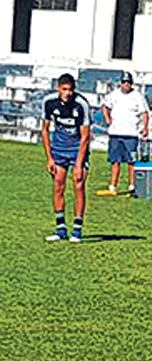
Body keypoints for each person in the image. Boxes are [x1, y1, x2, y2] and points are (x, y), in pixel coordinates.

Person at [41, 73, 91, 243]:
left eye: (70, 90)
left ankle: (77, 230)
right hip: (59, 150)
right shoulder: (49, 102)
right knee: (58, 186)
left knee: (78, 185)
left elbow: (85, 136)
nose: (67, 93)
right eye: (64, 89)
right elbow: (45, 130)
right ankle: (60, 228)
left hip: (77, 150)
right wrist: (49, 158)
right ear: (58, 88)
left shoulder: (81, 104)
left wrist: (79, 163)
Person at [101, 70, 150, 195]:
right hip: (115, 133)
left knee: (131, 162)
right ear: (120, 83)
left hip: (131, 134)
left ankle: (132, 186)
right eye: (124, 82)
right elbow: (105, 106)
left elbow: (144, 113)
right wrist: (107, 119)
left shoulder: (138, 97)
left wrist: (145, 127)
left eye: (128, 82)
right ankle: (113, 186)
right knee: (115, 161)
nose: (126, 85)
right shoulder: (114, 95)